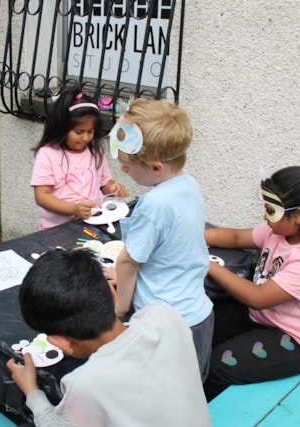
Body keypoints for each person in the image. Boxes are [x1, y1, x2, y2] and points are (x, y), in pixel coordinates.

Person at [6, 249, 211, 427]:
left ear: (62, 344)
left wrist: (32, 393)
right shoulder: (166, 315)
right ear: (113, 295)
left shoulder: (85, 384)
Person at [203, 166, 300, 400]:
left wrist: (206, 263)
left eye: (270, 211)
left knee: (214, 369)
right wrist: (190, 235)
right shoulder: (281, 232)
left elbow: (257, 298)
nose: (264, 217)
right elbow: (236, 237)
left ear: (299, 215)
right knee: (198, 334)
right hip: (260, 318)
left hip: (295, 340)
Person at [108, 98, 214, 381]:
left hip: (163, 326)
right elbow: (169, 248)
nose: (123, 171)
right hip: (197, 315)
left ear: (156, 168)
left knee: (158, 398)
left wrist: (120, 307)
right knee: (189, 393)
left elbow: (129, 261)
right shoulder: (188, 184)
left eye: (128, 167)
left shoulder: (154, 204)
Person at [30, 85, 128, 230]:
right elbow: (42, 196)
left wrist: (113, 188)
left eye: (90, 131)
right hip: (58, 230)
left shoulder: (95, 151)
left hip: (94, 222)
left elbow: (104, 184)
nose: (85, 137)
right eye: (79, 131)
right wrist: (74, 209)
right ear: (61, 127)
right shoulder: (48, 154)